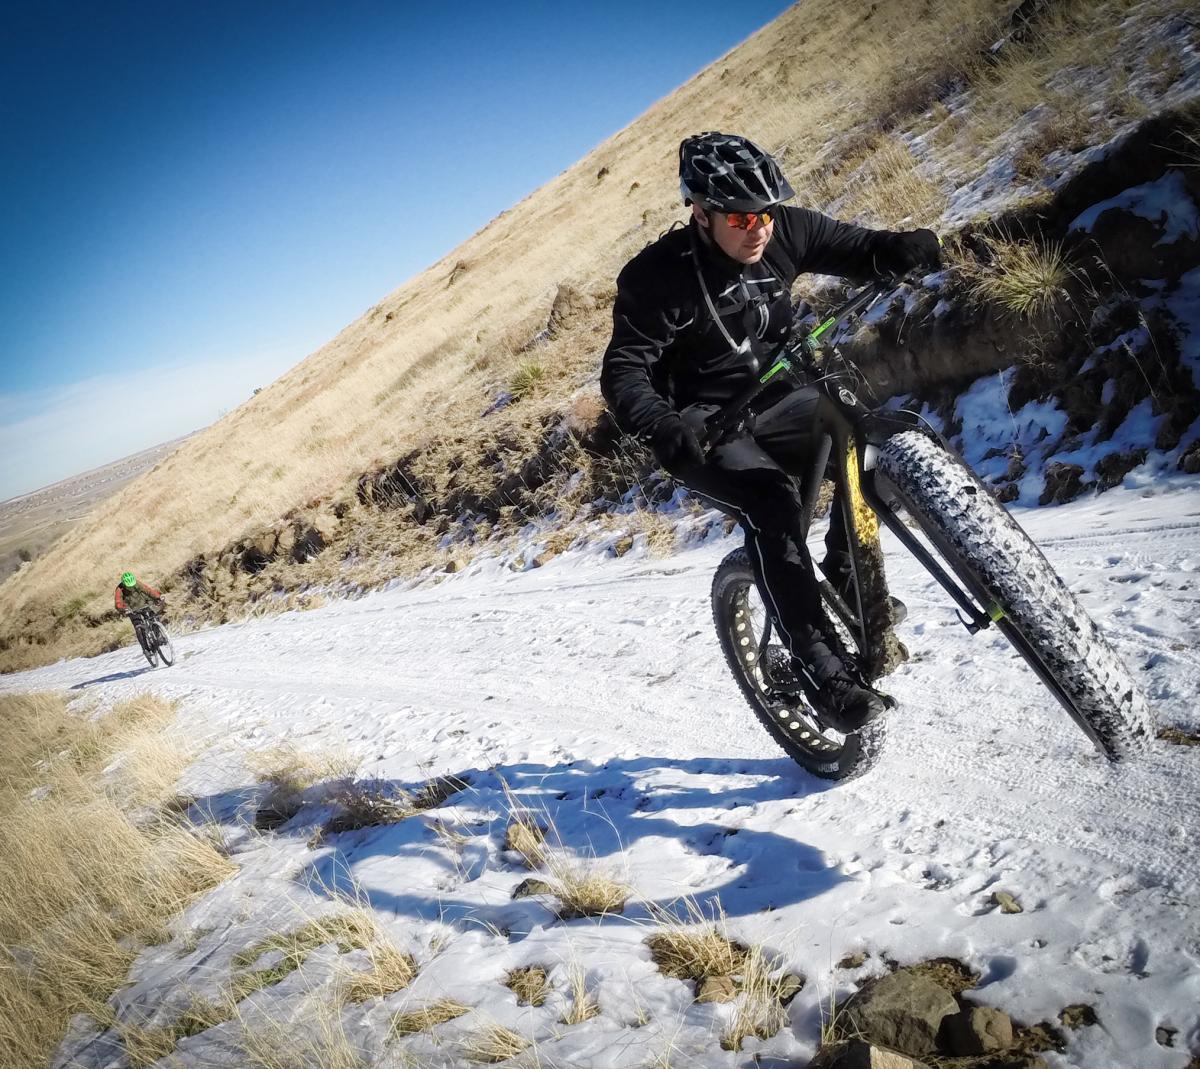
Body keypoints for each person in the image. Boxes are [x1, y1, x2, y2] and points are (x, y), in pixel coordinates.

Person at [600, 131, 941, 734]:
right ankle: (824, 676)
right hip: (704, 423)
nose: (758, 227)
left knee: (860, 441)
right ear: (701, 214)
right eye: (740, 216)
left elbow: (858, 246)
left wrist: (897, 248)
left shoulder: (781, 230)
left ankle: (848, 582)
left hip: (780, 394)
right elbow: (625, 370)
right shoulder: (656, 277)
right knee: (773, 505)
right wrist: (659, 423)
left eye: (766, 210)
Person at [115, 571, 165, 642]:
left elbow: (148, 590)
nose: (131, 587)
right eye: (128, 586)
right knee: (138, 627)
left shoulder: (137, 583)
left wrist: (158, 597)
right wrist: (124, 609)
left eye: (132, 585)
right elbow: (118, 602)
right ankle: (146, 648)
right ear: (123, 584)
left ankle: (158, 636)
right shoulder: (119, 589)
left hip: (144, 604)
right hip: (131, 609)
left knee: (153, 618)